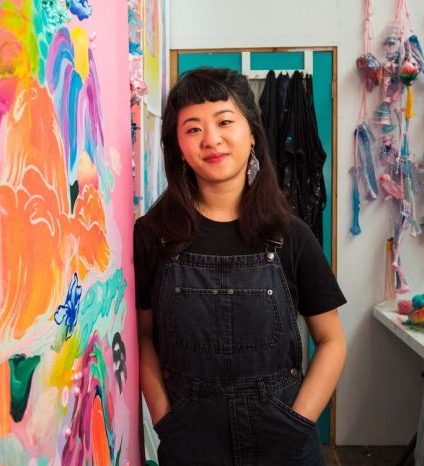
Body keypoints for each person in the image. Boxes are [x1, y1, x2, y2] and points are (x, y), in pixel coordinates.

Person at [134, 67, 347, 466]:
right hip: (189, 441)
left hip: (284, 441)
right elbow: (143, 338)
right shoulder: (153, 236)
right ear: (178, 145)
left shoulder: (292, 236)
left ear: (252, 133)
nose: (211, 139)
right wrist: (165, 419)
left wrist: (299, 422)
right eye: (193, 128)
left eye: (225, 121)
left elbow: (332, 340)